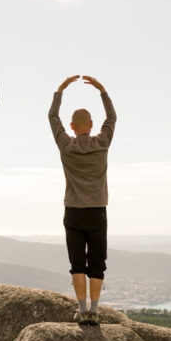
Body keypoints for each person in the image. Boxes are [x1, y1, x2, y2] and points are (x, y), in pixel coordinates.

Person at [49, 74, 116, 324]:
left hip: (73, 212)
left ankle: (81, 309)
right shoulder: (102, 143)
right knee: (97, 263)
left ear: (72, 126)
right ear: (91, 124)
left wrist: (60, 90)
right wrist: (102, 90)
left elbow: (52, 118)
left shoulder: (66, 146)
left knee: (77, 263)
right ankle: (94, 311)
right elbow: (112, 118)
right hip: (97, 211)